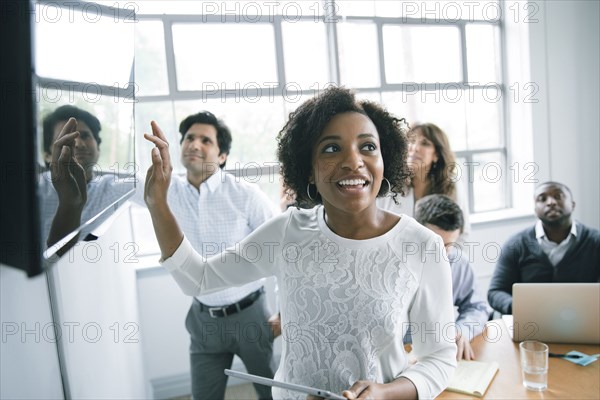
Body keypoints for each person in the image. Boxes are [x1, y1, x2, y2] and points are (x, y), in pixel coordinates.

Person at [143, 87, 457, 400]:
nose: (353, 161)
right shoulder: (287, 232)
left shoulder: (422, 247)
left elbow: (440, 359)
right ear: (308, 170)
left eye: (368, 147)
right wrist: (158, 204)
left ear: (385, 158)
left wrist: (384, 394)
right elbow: (197, 277)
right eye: (332, 149)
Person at [161, 111, 279, 400]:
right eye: (189, 138)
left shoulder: (246, 196)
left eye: (205, 140)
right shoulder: (166, 189)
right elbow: (123, 186)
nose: (194, 145)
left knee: (274, 394)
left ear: (222, 155)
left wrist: (287, 312)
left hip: (250, 317)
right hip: (204, 322)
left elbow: (285, 249)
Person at [487, 181, 600, 315]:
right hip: (531, 323)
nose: (551, 202)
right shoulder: (515, 245)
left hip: (583, 318)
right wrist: (518, 308)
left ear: (573, 204)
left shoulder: (595, 241)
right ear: (535, 210)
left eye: (558, 196)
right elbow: (496, 291)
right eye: (542, 199)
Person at [39, 105, 132, 250]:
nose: (79, 144)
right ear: (47, 154)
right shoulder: (32, 191)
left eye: (85, 135)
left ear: (98, 147)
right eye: (66, 139)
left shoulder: (114, 189)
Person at [413, 194, 491, 360]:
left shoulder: (459, 262)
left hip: (443, 355)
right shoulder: (392, 263)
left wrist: (461, 330)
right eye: (435, 244)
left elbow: (477, 308)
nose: (442, 253)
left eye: (448, 246)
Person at [377, 123, 470, 238]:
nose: (415, 148)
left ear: (436, 154)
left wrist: (446, 254)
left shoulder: (452, 185)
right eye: (411, 141)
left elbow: (462, 233)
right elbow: (378, 229)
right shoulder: (390, 184)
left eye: (425, 143)